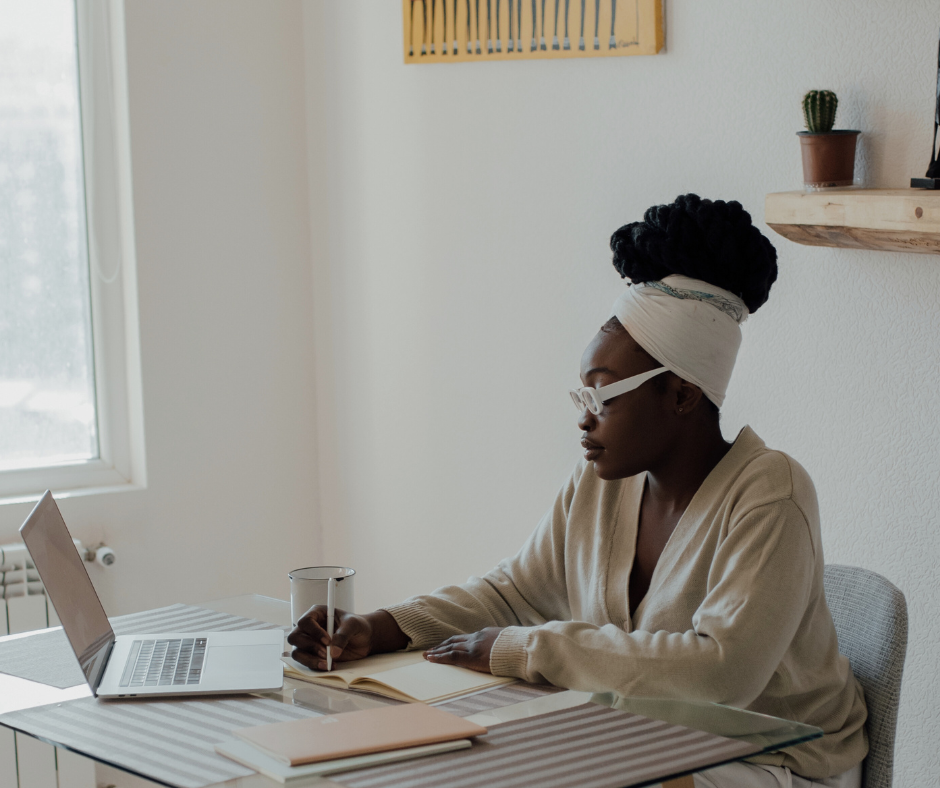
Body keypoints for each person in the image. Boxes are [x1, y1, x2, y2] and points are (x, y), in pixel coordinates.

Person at [288, 194, 867, 788]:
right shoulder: (600, 487)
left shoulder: (771, 492)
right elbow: (511, 594)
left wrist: (525, 649)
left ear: (682, 395)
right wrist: (378, 627)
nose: (585, 418)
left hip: (777, 758)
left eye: (605, 393)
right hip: (655, 737)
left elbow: (722, 674)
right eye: (582, 394)